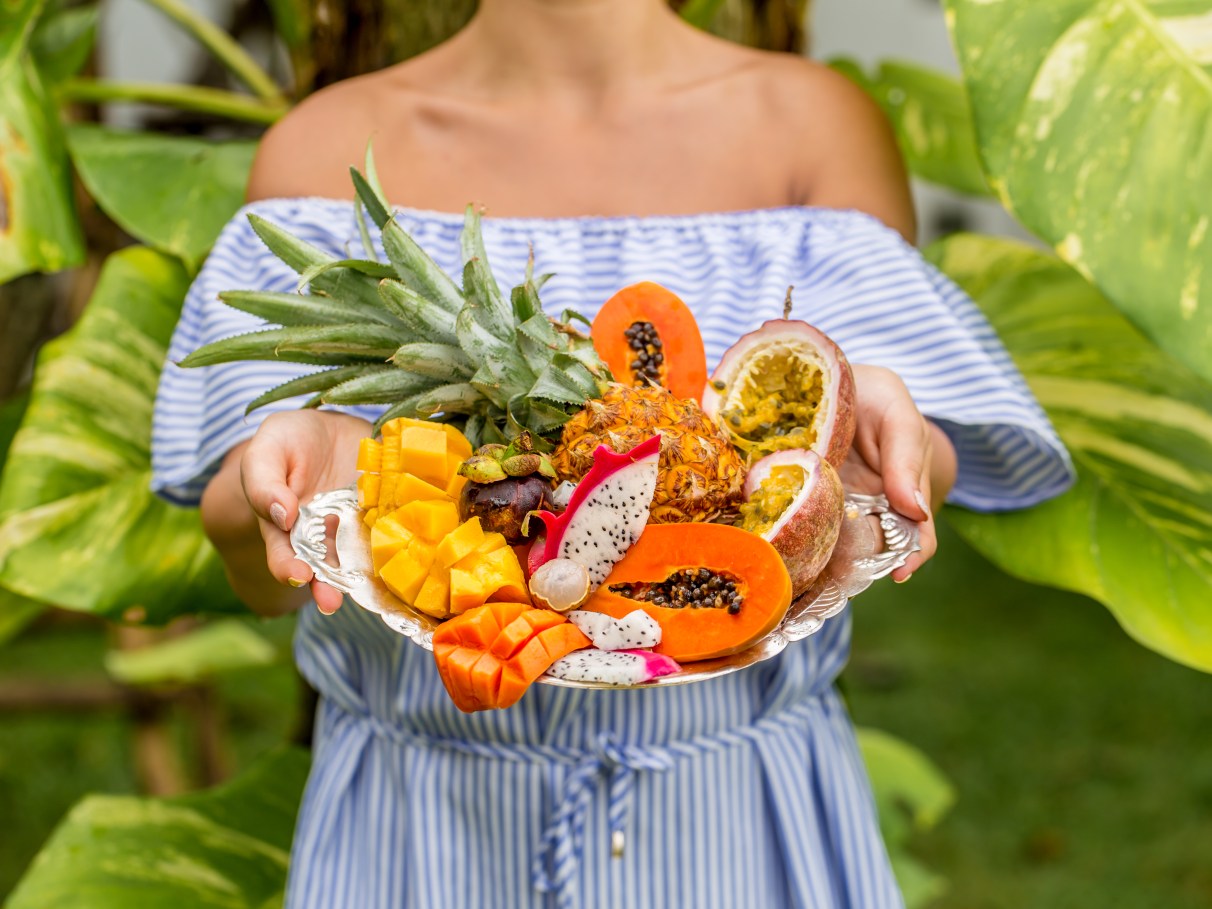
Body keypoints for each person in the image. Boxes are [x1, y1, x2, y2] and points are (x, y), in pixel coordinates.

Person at [151, 1, 1073, 906]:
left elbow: (910, 467)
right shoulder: (325, 153)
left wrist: (866, 441)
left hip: (740, 819)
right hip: (426, 827)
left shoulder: (811, 126)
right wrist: (302, 468)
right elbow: (258, 564)